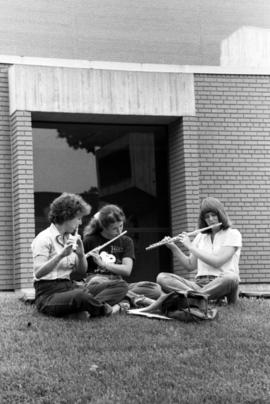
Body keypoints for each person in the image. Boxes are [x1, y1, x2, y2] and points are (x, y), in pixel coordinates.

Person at [31, 193, 113, 319]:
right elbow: (38, 273)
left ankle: (81, 308)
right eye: (78, 218)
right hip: (48, 293)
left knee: (114, 285)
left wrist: (80, 255)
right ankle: (104, 309)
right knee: (81, 297)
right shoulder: (44, 238)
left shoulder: (70, 239)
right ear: (66, 216)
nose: (80, 222)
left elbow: (81, 271)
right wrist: (61, 255)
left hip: (69, 287)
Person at [156, 197, 242, 304]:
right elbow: (190, 265)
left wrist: (191, 246)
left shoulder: (233, 234)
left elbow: (217, 262)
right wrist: (173, 247)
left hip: (221, 283)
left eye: (214, 215)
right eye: (207, 217)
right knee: (162, 277)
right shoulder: (201, 236)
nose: (210, 219)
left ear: (221, 214)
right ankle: (199, 297)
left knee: (231, 277)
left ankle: (193, 297)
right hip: (200, 284)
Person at [83, 204, 162, 310]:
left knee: (154, 289)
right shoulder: (89, 240)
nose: (119, 231)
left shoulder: (126, 241)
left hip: (119, 284)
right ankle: (137, 300)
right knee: (97, 281)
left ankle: (123, 299)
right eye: (114, 228)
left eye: (121, 226)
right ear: (103, 227)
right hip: (97, 282)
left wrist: (103, 264)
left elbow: (127, 270)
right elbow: (80, 271)